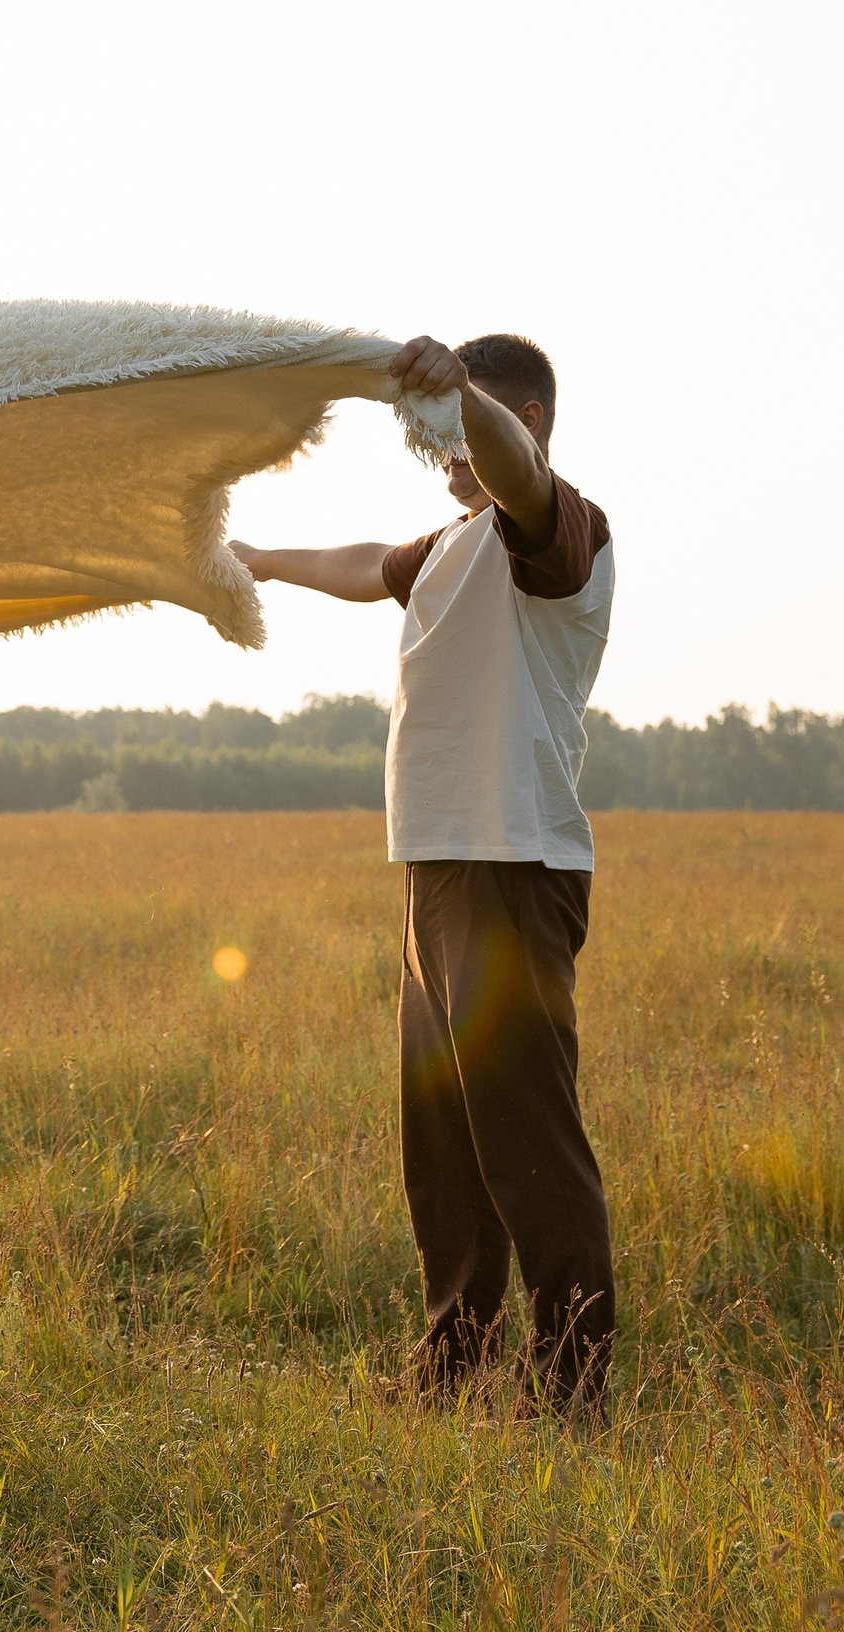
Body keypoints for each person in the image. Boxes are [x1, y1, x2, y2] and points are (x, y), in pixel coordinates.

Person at [232, 333, 616, 1412]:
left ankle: (573, 1390)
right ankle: (451, 1368)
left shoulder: (558, 525)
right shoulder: (453, 544)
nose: (446, 450)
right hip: (435, 872)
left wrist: (464, 400)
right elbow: (367, 567)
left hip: (511, 865)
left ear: (522, 421)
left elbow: (519, 475)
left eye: (467, 427)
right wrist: (258, 561)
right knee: (444, 1152)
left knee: (525, 1147)